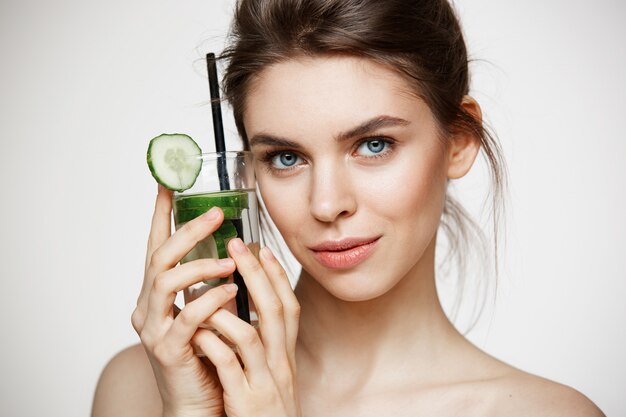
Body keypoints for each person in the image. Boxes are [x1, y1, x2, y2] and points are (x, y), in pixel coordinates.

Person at [92, 0, 605, 416]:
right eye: (286, 157)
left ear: (459, 141)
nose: (327, 204)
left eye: (374, 145)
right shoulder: (140, 388)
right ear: (249, 169)